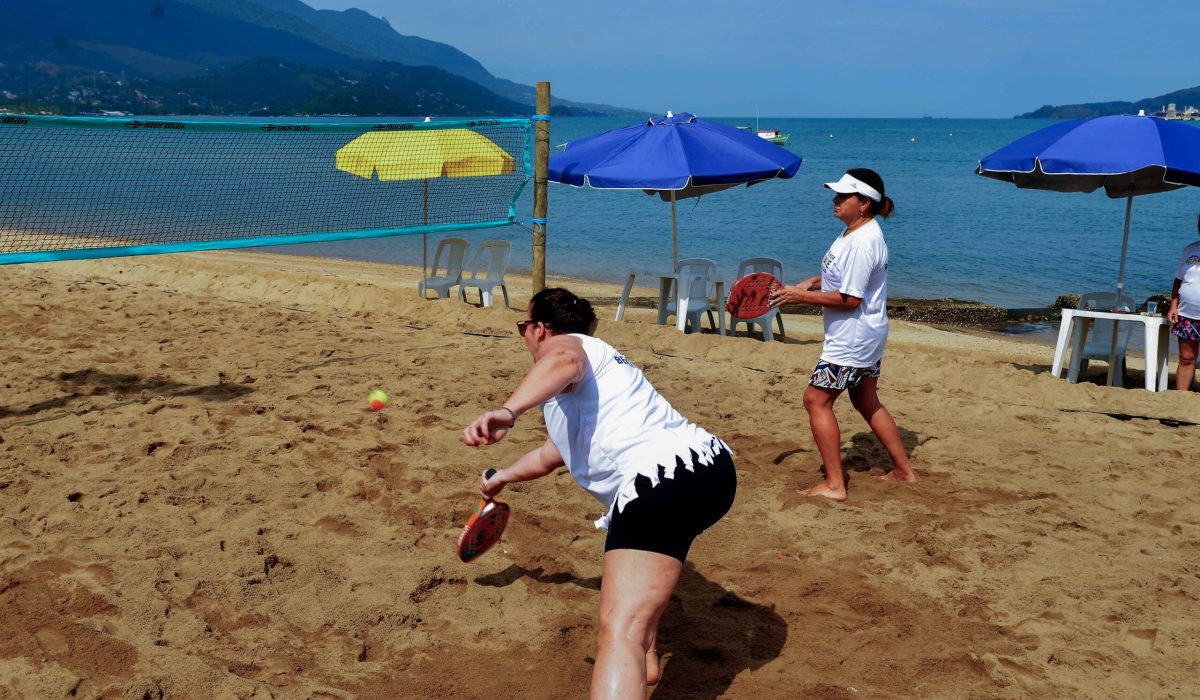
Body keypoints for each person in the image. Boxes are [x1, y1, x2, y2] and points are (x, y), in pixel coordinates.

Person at [461, 287, 737, 698]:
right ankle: (644, 667)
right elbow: (554, 453)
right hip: (709, 472)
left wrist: (508, 411)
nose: (524, 335)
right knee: (637, 601)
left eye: (523, 326)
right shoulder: (572, 386)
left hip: (658, 481)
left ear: (540, 329)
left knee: (619, 629)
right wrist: (503, 476)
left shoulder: (573, 349)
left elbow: (564, 358)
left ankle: (635, 658)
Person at [767, 168, 916, 501]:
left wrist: (799, 297)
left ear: (863, 203)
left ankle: (835, 485)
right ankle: (904, 471)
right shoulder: (854, 232)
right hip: (866, 334)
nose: (835, 200)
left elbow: (850, 299)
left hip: (853, 337)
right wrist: (809, 282)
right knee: (865, 399)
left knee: (815, 400)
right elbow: (838, 277)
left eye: (843, 196)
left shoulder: (864, 241)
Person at [1168, 214, 1200, 391]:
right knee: (1187, 358)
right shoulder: (1190, 250)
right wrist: (1174, 305)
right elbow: (1178, 280)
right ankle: (1181, 399)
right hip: (1187, 314)